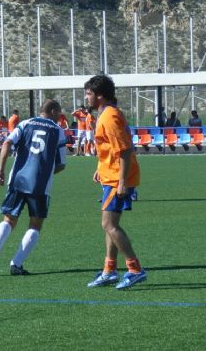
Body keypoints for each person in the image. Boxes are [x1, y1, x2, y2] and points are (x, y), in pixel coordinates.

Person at [0, 99, 66, 276]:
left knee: (9, 220)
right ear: (52, 112)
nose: (60, 116)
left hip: (17, 180)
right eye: (59, 112)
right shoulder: (58, 131)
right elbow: (61, 165)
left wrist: (1, 170)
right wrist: (46, 171)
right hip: (40, 185)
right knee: (35, 225)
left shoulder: (25, 124)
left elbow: (6, 143)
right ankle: (16, 264)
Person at [84, 74, 146, 290]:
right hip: (109, 176)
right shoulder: (105, 115)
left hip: (118, 179)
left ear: (100, 96)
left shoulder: (110, 117)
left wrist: (121, 182)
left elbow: (126, 150)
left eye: (89, 93)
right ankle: (109, 270)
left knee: (109, 224)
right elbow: (110, 149)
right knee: (110, 226)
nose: (86, 98)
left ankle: (135, 269)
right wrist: (100, 169)